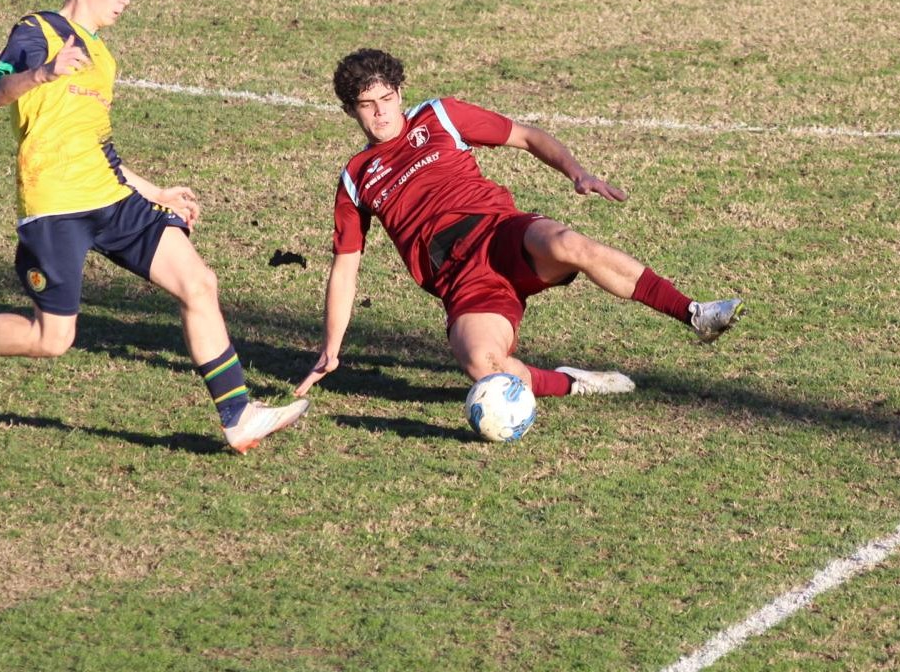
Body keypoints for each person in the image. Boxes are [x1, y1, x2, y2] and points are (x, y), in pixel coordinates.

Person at [0, 0, 307, 454]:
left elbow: (99, 147)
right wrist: (45, 70)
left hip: (112, 199)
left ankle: (237, 415)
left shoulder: (103, 57)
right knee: (52, 339)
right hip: (55, 207)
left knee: (198, 282)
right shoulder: (35, 30)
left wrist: (156, 194)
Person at [295, 48, 743, 409]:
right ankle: (569, 383)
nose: (381, 113)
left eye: (386, 98)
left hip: (501, 233)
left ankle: (695, 313)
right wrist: (331, 348)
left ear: (399, 92)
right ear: (349, 110)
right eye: (367, 105)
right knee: (482, 363)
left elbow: (526, 135)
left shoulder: (440, 117)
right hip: (461, 280)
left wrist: (577, 172)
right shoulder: (356, 177)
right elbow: (345, 269)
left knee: (569, 243)